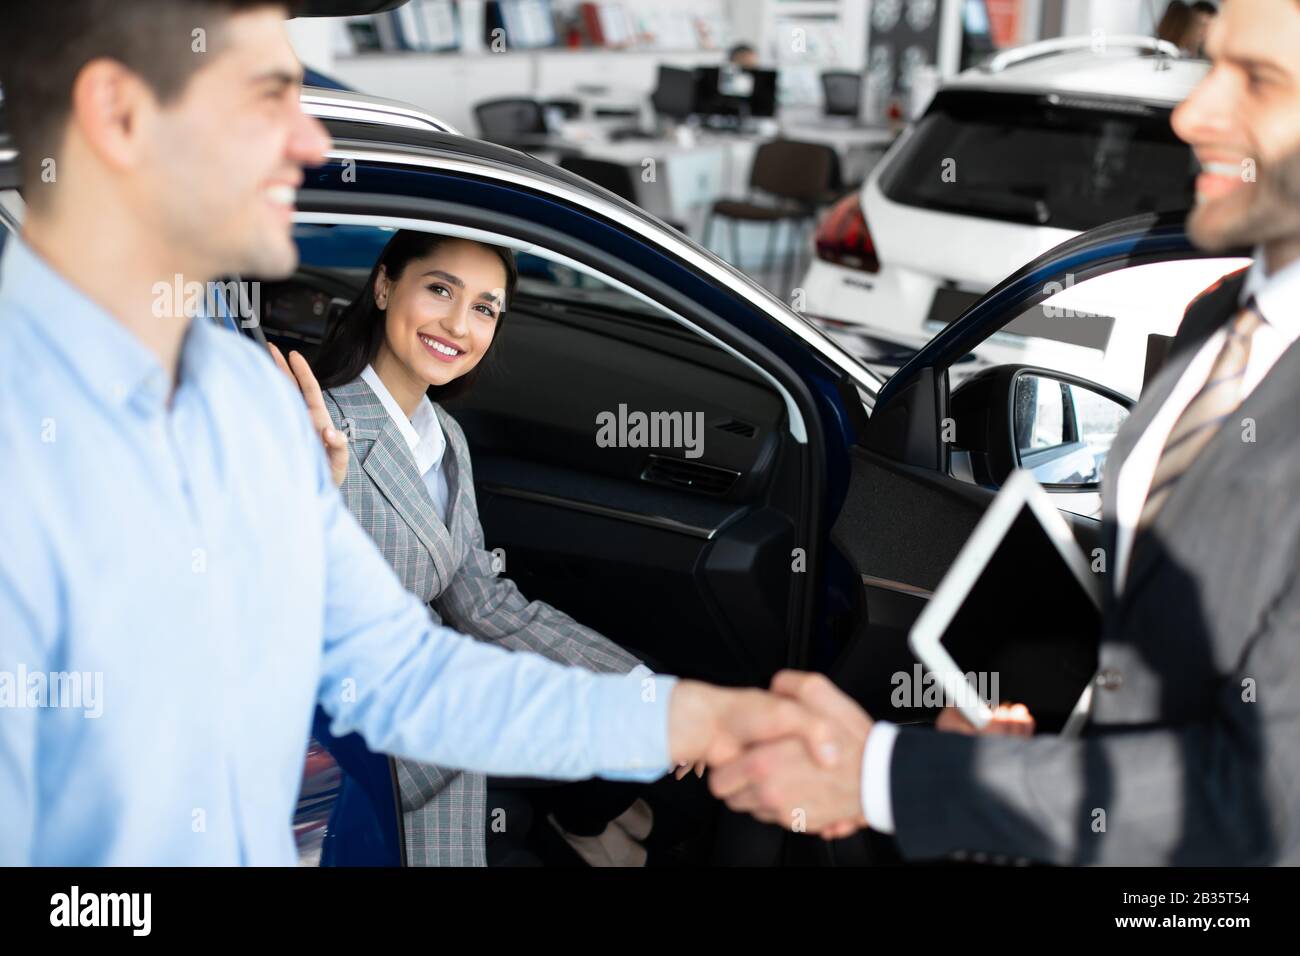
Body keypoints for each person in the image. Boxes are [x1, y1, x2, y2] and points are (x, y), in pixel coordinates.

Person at [0, 0, 837, 866]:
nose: (311, 144)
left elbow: (401, 674)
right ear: (119, 115)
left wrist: (681, 715)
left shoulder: (242, 401)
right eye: (267, 99)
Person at [712, 0, 1300, 865]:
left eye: (1257, 80)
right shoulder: (1219, 315)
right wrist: (1042, 740)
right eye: (1208, 65)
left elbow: (1261, 804)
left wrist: (884, 776)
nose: (1190, 114)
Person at [268, 229, 698, 866]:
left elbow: (484, 602)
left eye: (484, 308)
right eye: (440, 289)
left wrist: (639, 685)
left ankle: (587, 815)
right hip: (365, 760)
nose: (458, 324)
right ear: (385, 286)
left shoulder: (446, 438)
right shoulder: (316, 429)